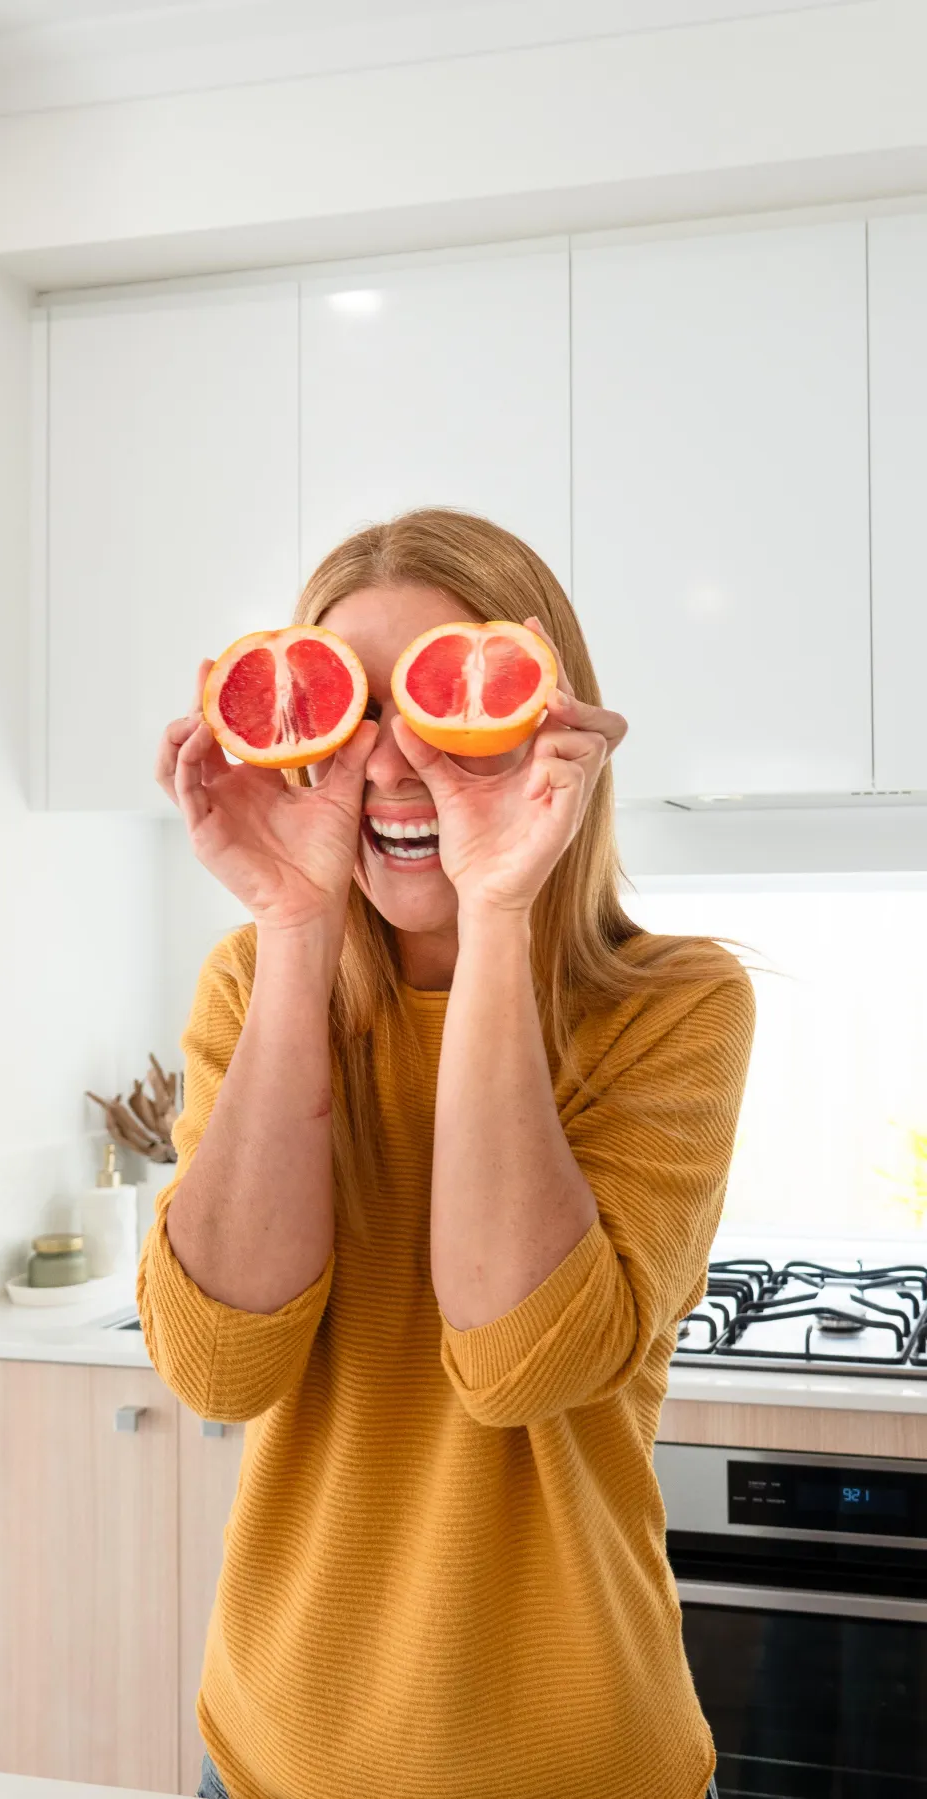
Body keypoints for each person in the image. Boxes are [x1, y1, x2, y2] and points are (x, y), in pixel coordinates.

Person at [139, 508, 753, 1799]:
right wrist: (297, 927)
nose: (394, 766)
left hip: (583, 1767)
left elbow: (522, 1362)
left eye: (447, 709)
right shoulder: (253, 983)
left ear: (548, 725)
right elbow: (217, 1365)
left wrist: (494, 911)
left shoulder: (676, 1005)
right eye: (345, 710)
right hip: (268, 1765)